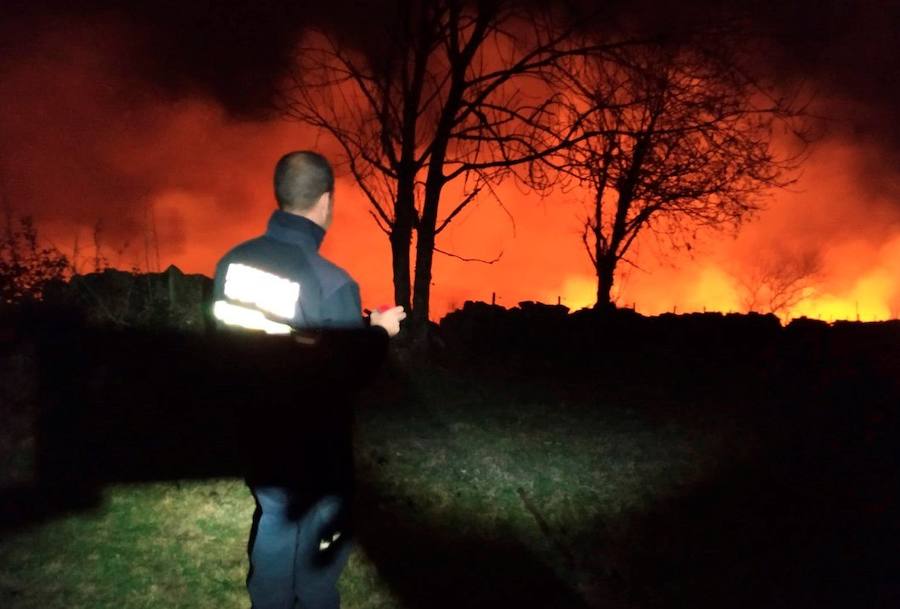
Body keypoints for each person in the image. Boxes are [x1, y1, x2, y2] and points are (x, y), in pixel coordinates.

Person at [210, 150, 406, 609]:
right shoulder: (331, 281)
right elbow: (347, 371)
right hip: (316, 447)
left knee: (275, 517)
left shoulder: (232, 263)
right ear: (325, 202)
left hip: (258, 431)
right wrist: (378, 332)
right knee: (321, 540)